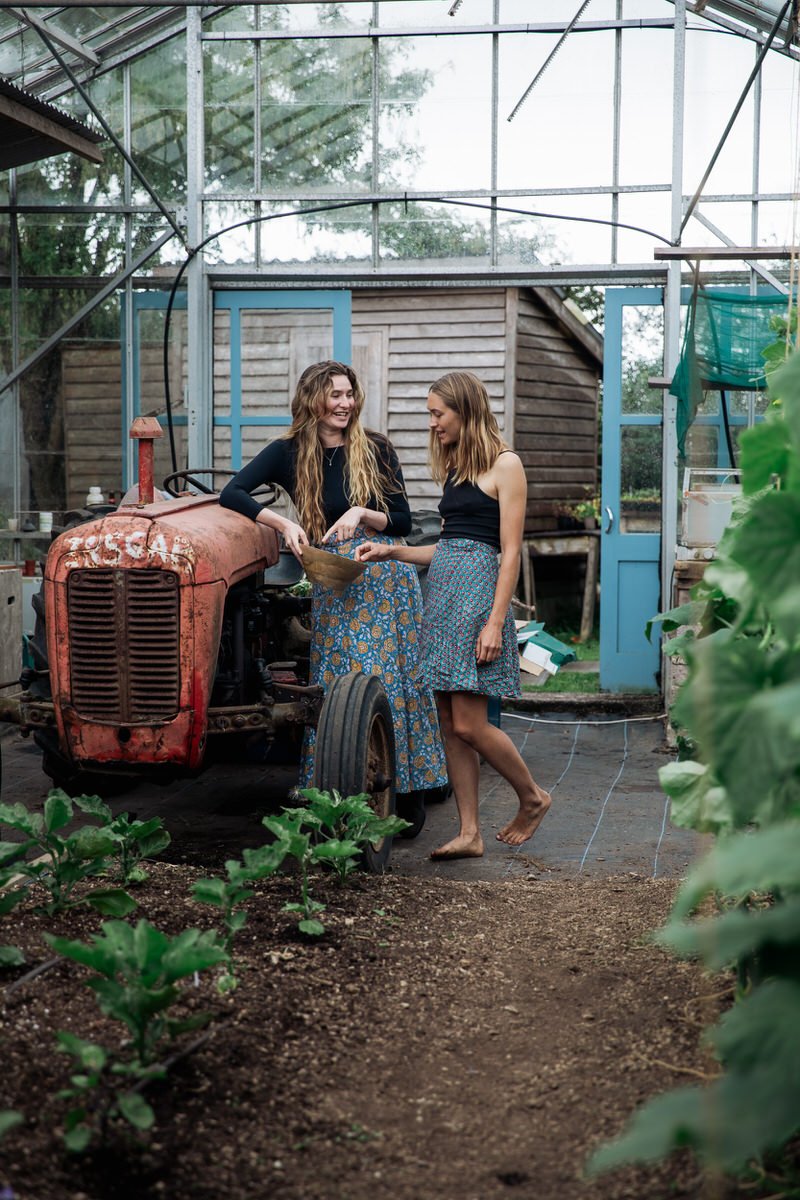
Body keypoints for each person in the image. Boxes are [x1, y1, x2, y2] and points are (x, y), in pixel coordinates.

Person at [219, 360, 448, 808]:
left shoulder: (376, 448)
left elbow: (401, 519)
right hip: (333, 580)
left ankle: (401, 789)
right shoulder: (288, 452)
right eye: (336, 396)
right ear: (313, 400)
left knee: (387, 682)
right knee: (337, 683)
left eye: (349, 395)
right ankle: (336, 788)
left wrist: (362, 512)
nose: (346, 404)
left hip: (383, 576)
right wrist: (283, 525)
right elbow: (233, 492)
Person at [356, 370, 551, 861]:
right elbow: (449, 549)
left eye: (437, 413)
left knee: (468, 722)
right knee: (448, 722)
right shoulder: (458, 469)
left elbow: (509, 553)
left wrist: (494, 621)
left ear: (465, 410)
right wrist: (391, 552)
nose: (432, 424)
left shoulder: (506, 464)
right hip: (443, 596)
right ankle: (470, 832)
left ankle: (532, 796)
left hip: (476, 602)